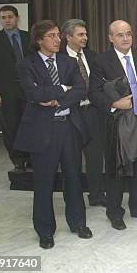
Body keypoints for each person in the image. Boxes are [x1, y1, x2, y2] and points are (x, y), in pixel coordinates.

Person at [14, 20, 92, 249]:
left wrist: (58, 98)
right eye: (52, 36)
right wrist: (62, 89)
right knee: (44, 182)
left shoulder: (68, 61)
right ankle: (45, 231)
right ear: (39, 40)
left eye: (58, 35)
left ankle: (78, 223)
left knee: (74, 179)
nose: (58, 39)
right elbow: (33, 93)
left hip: (69, 127)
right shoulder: (26, 65)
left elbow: (81, 89)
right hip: (42, 131)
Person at [88, 20, 137, 230]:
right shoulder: (101, 61)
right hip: (116, 123)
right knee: (115, 169)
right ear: (110, 38)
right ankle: (115, 212)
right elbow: (93, 92)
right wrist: (114, 103)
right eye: (120, 35)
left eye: (128, 33)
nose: (126, 38)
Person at [59, 18, 106, 207]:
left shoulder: (92, 56)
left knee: (95, 157)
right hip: (71, 114)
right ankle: (72, 198)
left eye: (85, 34)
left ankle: (96, 195)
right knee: (71, 159)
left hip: (92, 112)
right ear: (68, 37)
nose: (85, 38)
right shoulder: (59, 58)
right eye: (80, 34)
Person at [0, 5, 31, 172]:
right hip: (5, 91)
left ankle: (31, 157)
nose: (7, 20)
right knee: (11, 127)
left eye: (10, 16)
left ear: (17, 18)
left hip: (29, 89)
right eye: (3, 17)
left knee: (30, 124)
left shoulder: (28, 37)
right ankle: (18, 160)